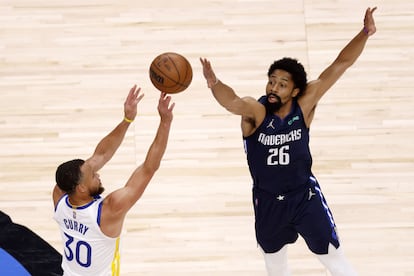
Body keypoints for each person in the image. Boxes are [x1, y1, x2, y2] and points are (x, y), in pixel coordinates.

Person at [200, 7, 377, 276]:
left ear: (295, 91)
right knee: (276, 269)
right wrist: (214, 83)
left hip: (304, 196)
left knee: (336, 262)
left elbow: (340, 64)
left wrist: (365, 33)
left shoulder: (304, 105)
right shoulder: (257, 112)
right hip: (268, 201)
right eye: (271, 82)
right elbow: (233, 102)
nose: (272, 88)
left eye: (281, 84)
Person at [52, 85, 174, 276]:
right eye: (93, 175)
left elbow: (100, 155)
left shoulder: (60, 195)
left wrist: (127, 120)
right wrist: (165, 122)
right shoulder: (109, 210)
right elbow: (149, 168)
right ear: (82, 188)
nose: (98, 174)